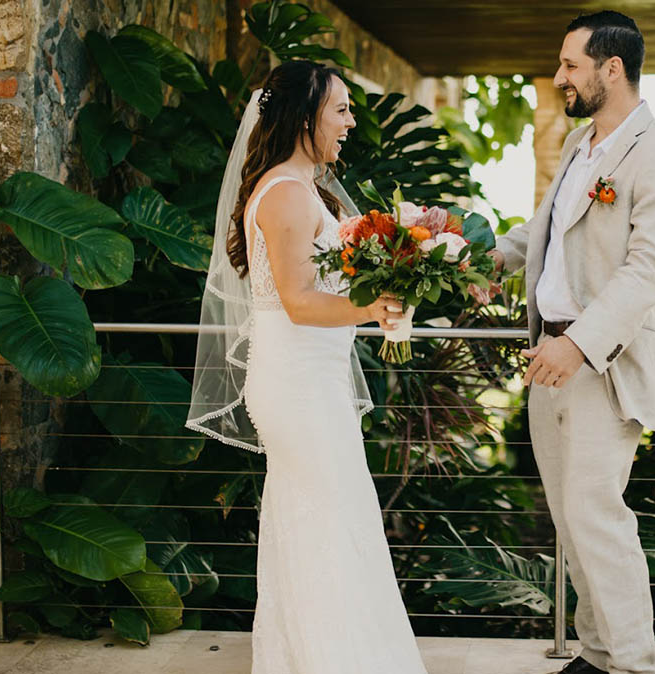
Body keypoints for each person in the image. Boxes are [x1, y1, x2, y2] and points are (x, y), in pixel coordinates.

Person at [185, 60, 426, 673]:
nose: (350, 121)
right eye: (340, 109)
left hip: (306, 381)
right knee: (332, 524)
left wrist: (386, 286)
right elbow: (295, 301)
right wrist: (373, 306)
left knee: (319, 521)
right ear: (303, 115)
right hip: (297, 387)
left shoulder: (297, 185)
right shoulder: (288, 194)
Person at [489, 11, 655, 674]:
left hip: (599, 367)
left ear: (613, 67)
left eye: (571, 65)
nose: (560, 77)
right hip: (550, 357)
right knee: (570, 520)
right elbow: (545, 235)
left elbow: (647, 272)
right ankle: (600, 653)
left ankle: (631, 664)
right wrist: (484, 260)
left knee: (596, 518)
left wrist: (577, 345)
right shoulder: (582, 145)